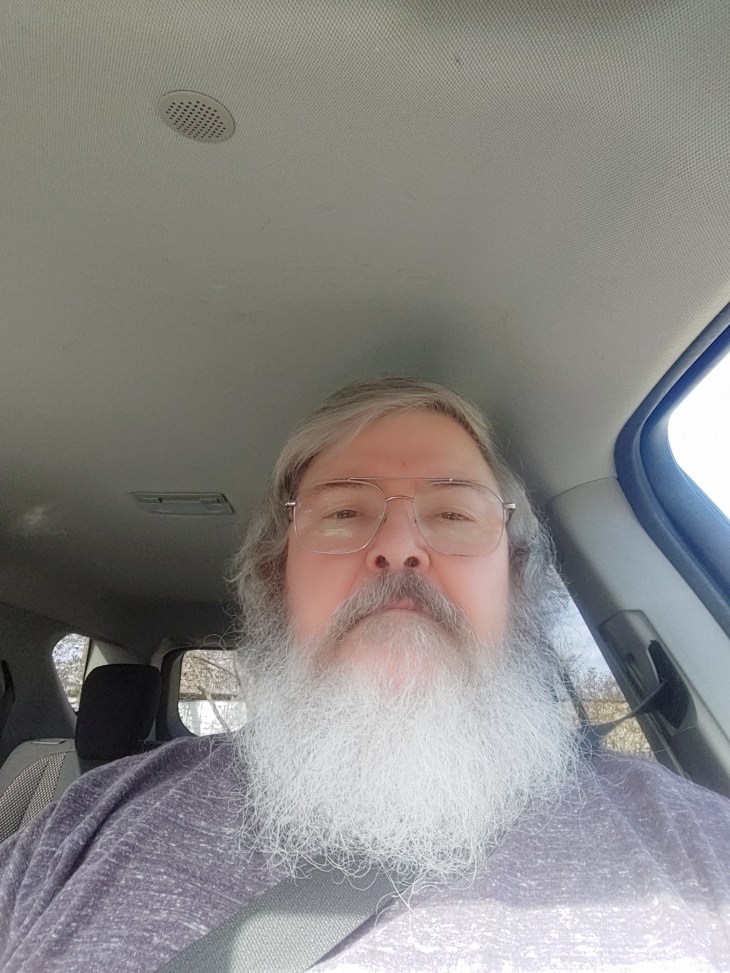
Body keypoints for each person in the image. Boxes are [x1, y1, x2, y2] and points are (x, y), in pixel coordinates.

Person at [1, 377, 729, 972]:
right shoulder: (90, 820)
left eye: (453, 513)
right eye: (346, 512)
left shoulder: (696, 847)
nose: (401, 545)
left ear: (514, 582)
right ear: (278, 581)